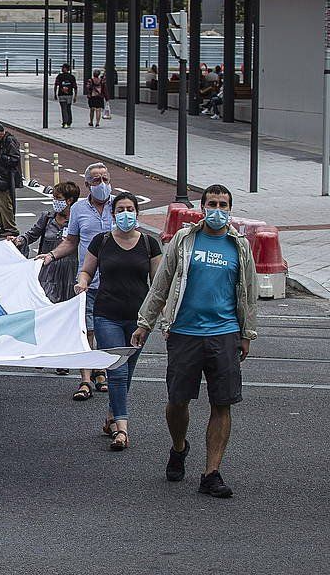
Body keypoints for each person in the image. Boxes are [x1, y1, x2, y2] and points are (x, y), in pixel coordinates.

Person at [132, 184, 258, 499]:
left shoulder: (239, 245)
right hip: (184, 333)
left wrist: (246, 333)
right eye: (212, 204)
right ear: (202, 208)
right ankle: (179, 446)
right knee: (177, 402)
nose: (218, 210)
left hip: (224, 333)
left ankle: (211, 473)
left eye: (224, 205)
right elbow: (162, 282)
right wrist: (145, 322)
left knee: (222, 402)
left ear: (230, 209)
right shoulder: (184, 240)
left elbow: (249, 291)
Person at [75, 191, 162, 451]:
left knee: (127, 372)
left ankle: (112, 416)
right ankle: (122, 429)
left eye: (130, 209)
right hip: (106, 315)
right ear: (114, 214)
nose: (126, 213)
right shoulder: (101, 241)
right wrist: (82, 282)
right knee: (117, 370)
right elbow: (86, 270)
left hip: (138, 319)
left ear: (137, 213)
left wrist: (161, 317)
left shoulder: (150, 243)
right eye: (121, 209)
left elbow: (158, 284)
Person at [38, 162, 115, 400]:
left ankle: (101, 370)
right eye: (96, 180)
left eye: (104, 179)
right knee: (87, 329)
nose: (101, 184)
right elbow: (71, 242)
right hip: (87, 280)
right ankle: (85, 379)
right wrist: (51, 255)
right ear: (87, 185)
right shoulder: (80, 210)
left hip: (114, 282)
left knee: (108, 329)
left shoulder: (121, 206)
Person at [15, 180, 79, 303]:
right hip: (47, 270)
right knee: (44, 300)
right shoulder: (47, 217)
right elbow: (31, 235)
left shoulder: (78, 221)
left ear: (69, 200)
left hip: (70, 272)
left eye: (58, 198)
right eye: (54, 197)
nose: (55, 201)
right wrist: (19, 240)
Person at [0, 124, 21, 238]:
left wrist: (0, 157)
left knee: (5, 204)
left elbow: (15, 159)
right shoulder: (2, 141)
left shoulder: (9, 140)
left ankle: (11, 228)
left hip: (5, 178)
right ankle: (3, 226)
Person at [54, 63, 78, 128]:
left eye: (63, 67)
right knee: (67, 108)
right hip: (69, 94)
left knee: (64, 108)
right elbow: (75, 86)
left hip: (62, 94)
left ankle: (65, 122)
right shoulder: (72, 77)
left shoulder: (59, 76)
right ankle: (68, 121)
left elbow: (56, 85)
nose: (61, 69)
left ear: (66, 68)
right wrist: (75, 95)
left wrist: (55, 93)